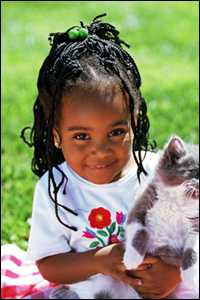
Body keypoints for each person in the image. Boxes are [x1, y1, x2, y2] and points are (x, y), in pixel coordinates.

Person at [21, 14, 182, 299]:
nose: (100, 150)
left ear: (135, 121)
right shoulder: (55, 188)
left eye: (116, 132)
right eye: (81, 136)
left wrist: (173, 272)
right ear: (57, 135)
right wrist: (100, 260)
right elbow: (49, 266)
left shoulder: (159, 175)